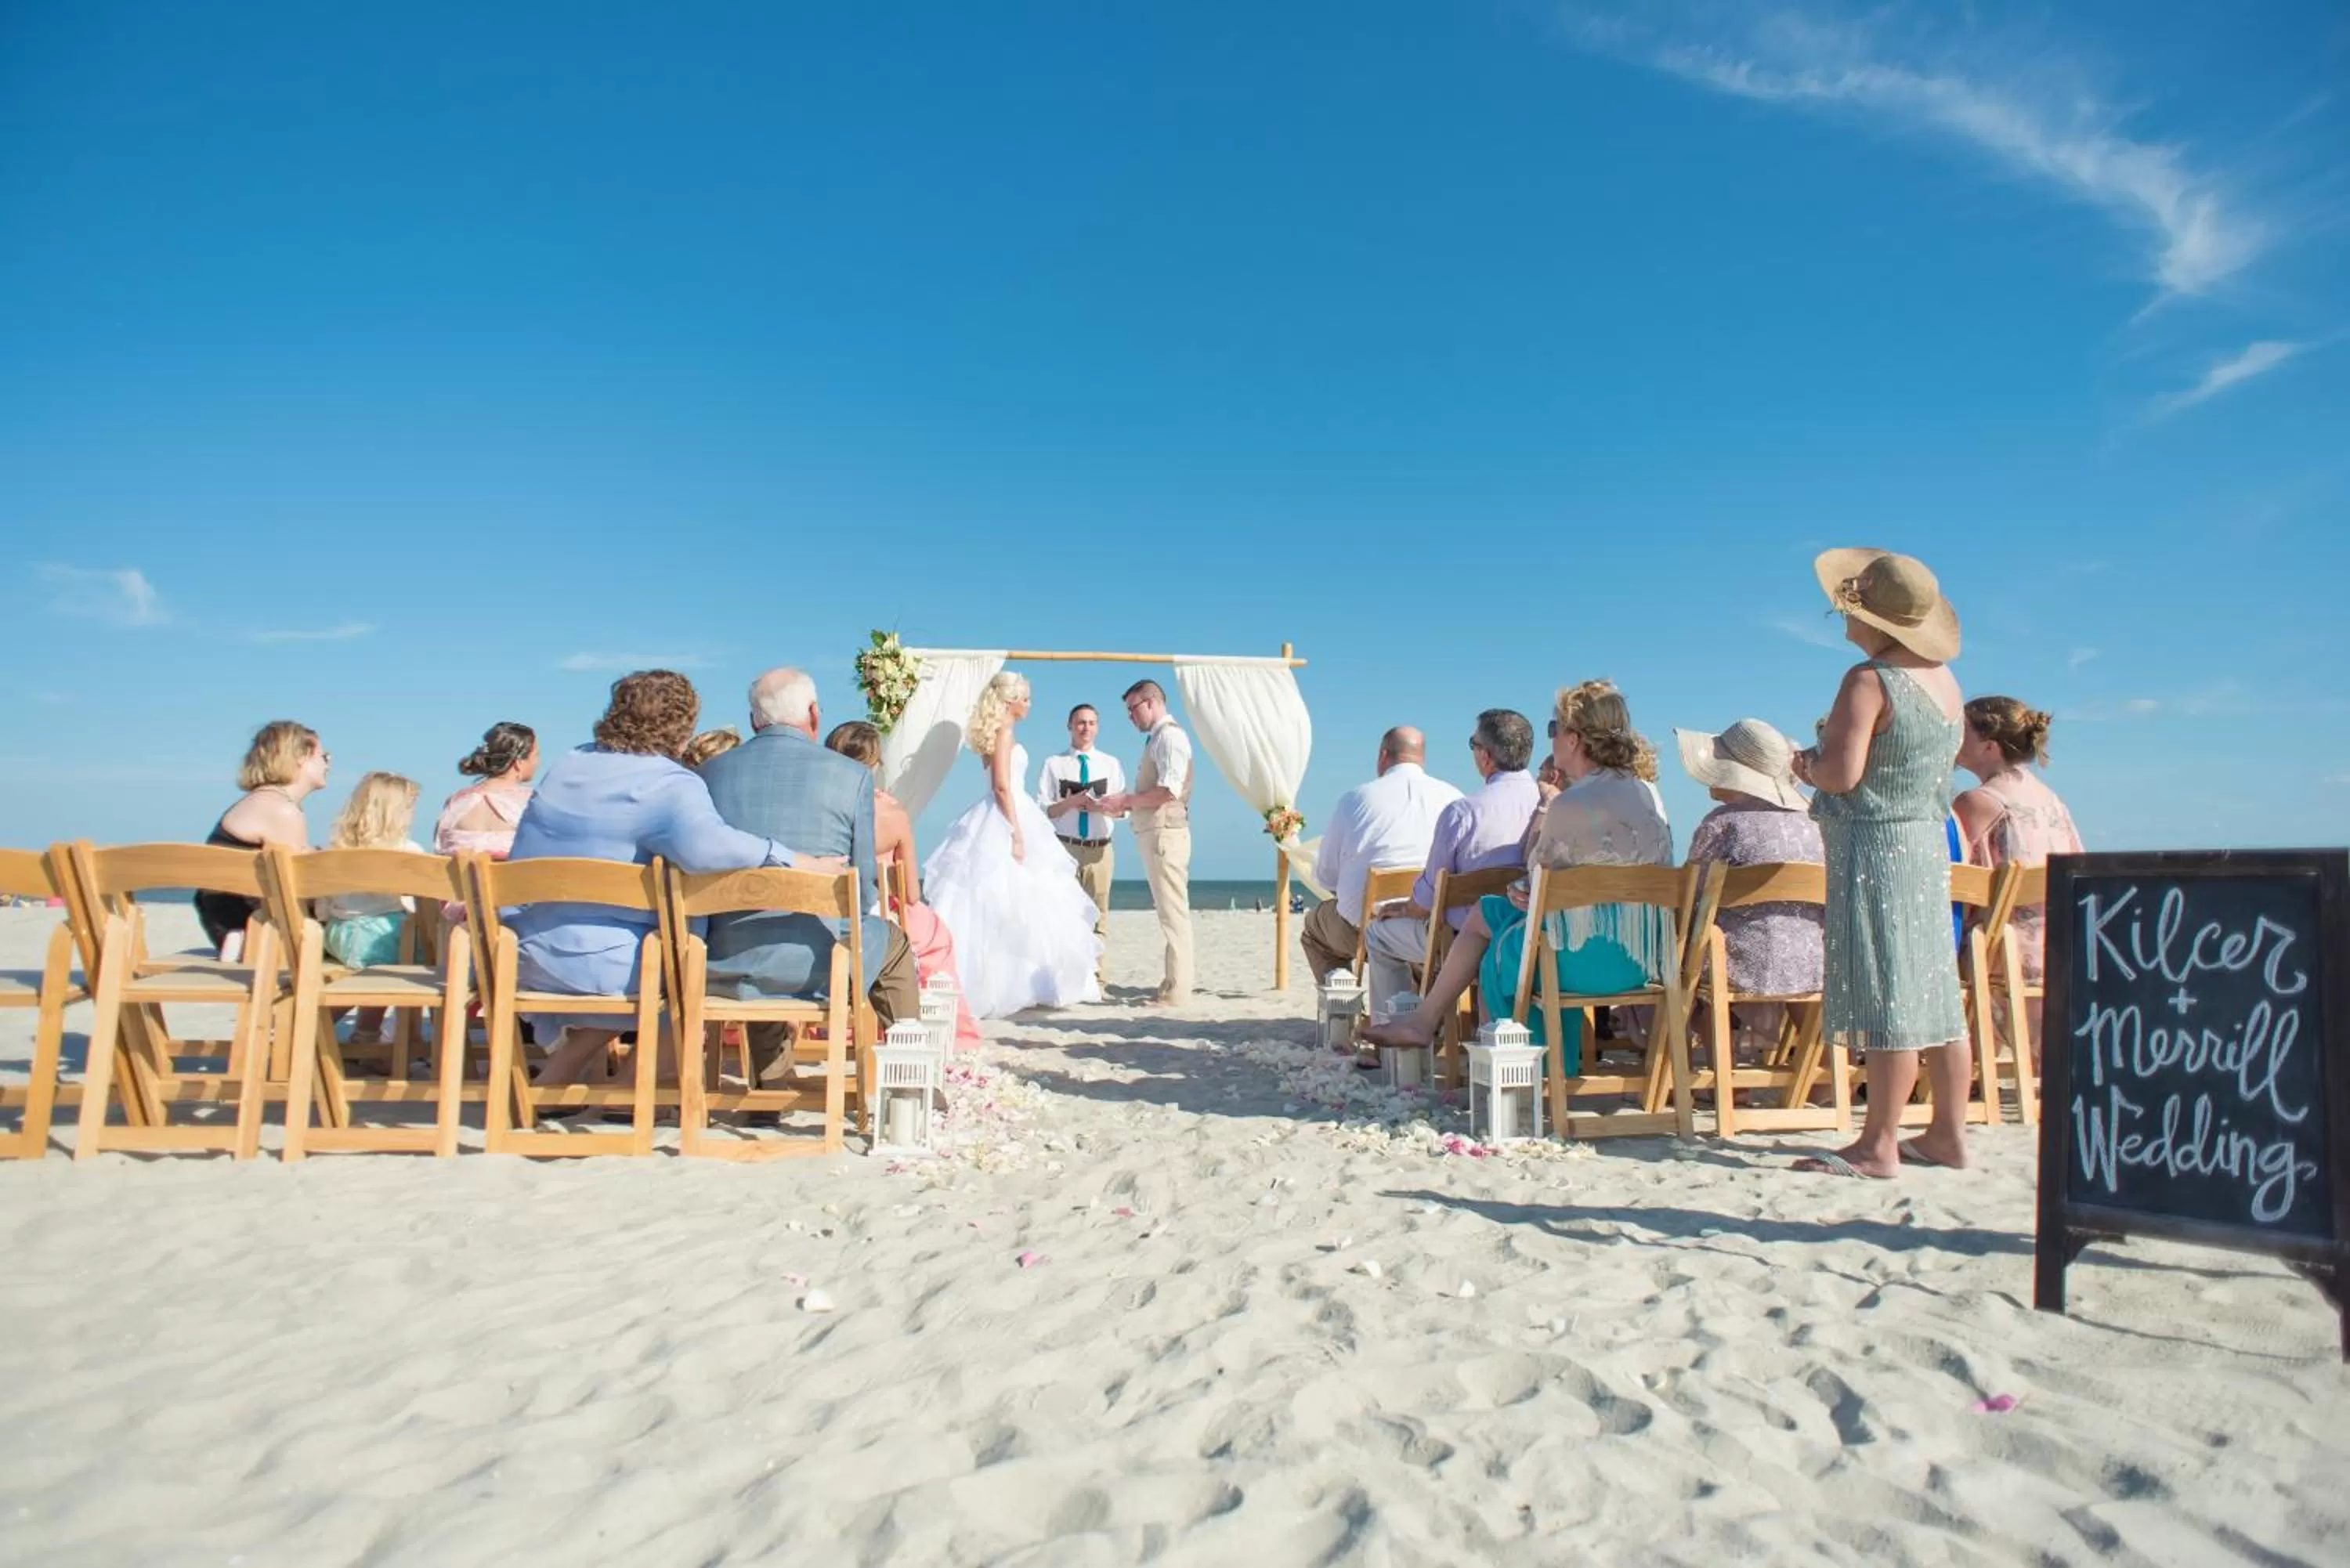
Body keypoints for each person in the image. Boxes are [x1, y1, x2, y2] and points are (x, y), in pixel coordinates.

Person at [504, 670, 841, 1089]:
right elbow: (709, 849)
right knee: (692, 959)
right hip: (614, 971)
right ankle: (639, 1087)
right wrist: (793, 858)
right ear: (683, 727)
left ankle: (559, 1075)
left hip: (524, 956)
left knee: (657, 954)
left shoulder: (569, 764)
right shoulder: (670, 783)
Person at [1361, 682, 1672, 1073]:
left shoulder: (1571, 805)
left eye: (1554, 729)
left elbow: (1538, 883)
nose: (1552, 738)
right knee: (1485, 912)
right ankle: (1424, 1023)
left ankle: (1515, 1067)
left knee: (1501, 944)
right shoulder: (1645, 794)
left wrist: (1526, 886)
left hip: (1579, 960)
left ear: (1575, 740)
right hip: (1641, 960)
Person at [1789, 549, 1970, 1178]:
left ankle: (1878, 1145)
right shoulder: (1945, 682)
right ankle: (1947, 1132)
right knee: (1938, 994)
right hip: (1925, 839)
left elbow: (1842, 774)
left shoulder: (1869, 680)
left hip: (1875, 846)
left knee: (1890, 991)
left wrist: (1804, 765)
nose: (1842, 618)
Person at [697, 668, 920, 1073]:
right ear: (814, 714)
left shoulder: (710, 774)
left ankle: (770, 1086)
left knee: (758, 930)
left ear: (754, 721)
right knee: (892, 941)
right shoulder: (852, 776)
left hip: (726, 963)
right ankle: (910, 1076)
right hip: (820, 969)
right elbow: (863, 893)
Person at [922, 672, 1104, 1017]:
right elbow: (1002, 786)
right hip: (1009, 813)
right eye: (1026, 698)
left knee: (1016, 899)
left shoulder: (995, 734)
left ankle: (1018, 980)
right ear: (1011, 701)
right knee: (1011, 898)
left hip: (1007, 810)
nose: (1030, 704)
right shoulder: (1004, 733)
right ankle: (1017, 984)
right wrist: (1015, 831)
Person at [1359, 709, 1540, 1013]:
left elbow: (1429, 898)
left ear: (1485, 755)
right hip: (1531, 937)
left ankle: (1394, 1042)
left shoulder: (1464, 812)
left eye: (1473, 744)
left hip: (1462, 944)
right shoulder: (1552, 806)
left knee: (1377, 935)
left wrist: (1403, 908)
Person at [825, 720, 981, 1049]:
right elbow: (910, 892)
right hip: (876, 916)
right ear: (875, 763)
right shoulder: (892, 812)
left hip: (823, 915)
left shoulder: (816, 808)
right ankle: (908, 1025)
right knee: (937, 936)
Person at [1676, 719, 1824, 1053]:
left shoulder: (1723, 824)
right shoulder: (1815, 823)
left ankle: (1727, 1081)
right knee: (1782, 947)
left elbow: (1689, 894)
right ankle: (1822, 1079)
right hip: (1813, 962)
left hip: (1736, 965)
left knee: (1695, 950)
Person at [1301, 726, 1462, 982]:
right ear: (1422, 758)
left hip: (1364, 927)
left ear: (1383, 755)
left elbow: (1327, 877)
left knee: (1315, 930)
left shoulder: (1355, 799)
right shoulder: (1454, 798)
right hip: (1433, 929)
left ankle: (1341, 1007)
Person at [1953, 696, 2082, 986]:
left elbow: (1953, 881)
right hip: (2059, 951)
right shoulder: (2053, 802)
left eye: (1962, 732)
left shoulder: (1979, 803)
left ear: (1990, 746)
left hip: (1999, 957)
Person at [1097, 681, 1194, 1006]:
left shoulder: (1170, 737)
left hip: (1165, 832)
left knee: (1173, 913)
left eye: (1132, 709)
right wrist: (1125, 804)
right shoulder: (1159, 739)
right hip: (1157, 832)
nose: (1130, 717)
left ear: (1151, 703)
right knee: (1169, 913)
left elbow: (1169, 789)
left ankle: (1178, 991)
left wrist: (1127, 800)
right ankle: (1172, 985)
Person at [197, 721, 329, 956]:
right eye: (323, 756)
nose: (328, 764)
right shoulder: (282, 810)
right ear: (301, 757)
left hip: (226, 921)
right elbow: (295, 889)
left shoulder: (260, 802)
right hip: (248, 929)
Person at [317, 771, 427, 1039]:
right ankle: (360, 1033)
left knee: (384, 961)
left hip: (338, 934)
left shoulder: (334, 850)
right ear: (397, 813)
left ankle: (327, 1028)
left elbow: (322, 906)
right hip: (377, 940)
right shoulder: (407, 851)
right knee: (404, 953)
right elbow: (421, 901)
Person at [1035, 703, 1126, 977]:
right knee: (1063, 915)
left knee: (1099, 916)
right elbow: (1044, 810)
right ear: (1070, 726)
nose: (1086, 728)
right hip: (1065, 846)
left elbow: (1123, 808)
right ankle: (1064, 978)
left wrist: (1101, 806)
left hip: (1100, 849)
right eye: (1081, 722)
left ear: (1098, 727)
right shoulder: (1054, 764)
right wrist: (1071, 802)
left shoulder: (1111, 764)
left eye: (1091, 723)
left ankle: (1097, 979)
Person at [434, 722, 537, 858]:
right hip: (516, 878)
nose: (537, 762)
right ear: (519, 762)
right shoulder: (532, 802)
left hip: (459, 878)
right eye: (536, 755)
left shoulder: (455, 802)